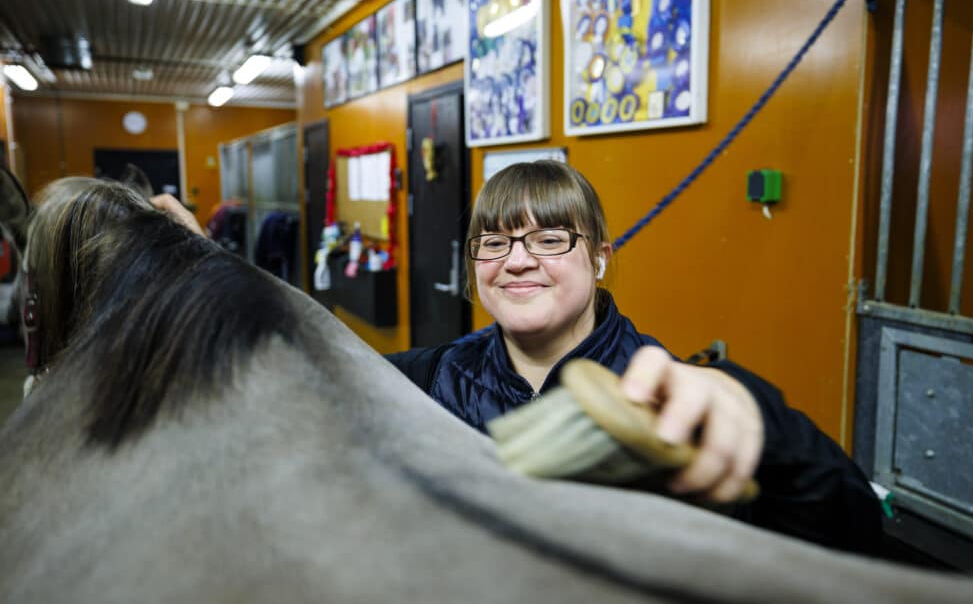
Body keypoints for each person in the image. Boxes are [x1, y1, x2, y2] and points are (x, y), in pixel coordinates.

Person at [153, 161, 881, 554]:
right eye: (494, 243)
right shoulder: (439, 375)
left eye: (550, 239)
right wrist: (207, 266)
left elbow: (854, 531)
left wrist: (758, 418)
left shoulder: (666, 393)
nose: (518, 261)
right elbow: (315, 357)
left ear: (600, 259)